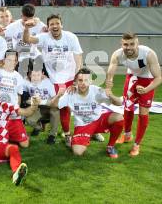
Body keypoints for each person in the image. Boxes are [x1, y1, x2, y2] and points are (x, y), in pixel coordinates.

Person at [23, 14, 83, 147]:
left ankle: (86, 132)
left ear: (62, 25)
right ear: (48, 27)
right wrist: (26, 28)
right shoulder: (44, 38)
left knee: (77, 105)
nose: (55, 26)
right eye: (51, 24)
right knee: (58, 107)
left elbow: (78, 57)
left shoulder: (71, 37)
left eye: (57, 23)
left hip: (69, 78)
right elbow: (28, 40)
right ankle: (61, 132)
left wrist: (76, 77)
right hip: (54, 80)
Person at [105, 32, 161, 156]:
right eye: (125, 44)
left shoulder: (148, 54)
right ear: (122, 44)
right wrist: (108, 87)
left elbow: (158, 78)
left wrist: (146, 89)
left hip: (148, 80)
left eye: (132, 44)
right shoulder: (118, 54)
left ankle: (137, 145)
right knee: (127, 107)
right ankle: (127, 135)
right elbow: (110, 72)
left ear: (137, 43)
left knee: (143, 113)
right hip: (131, 78)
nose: (128, 47)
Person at [58, 68, 124, 158]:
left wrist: (110, 95)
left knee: (118, 117)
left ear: (91, 81)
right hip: (83, 125)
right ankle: (84, 136)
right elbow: (56, 105)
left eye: (86, 80)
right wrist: (59, 96)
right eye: (80, 80)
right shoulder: (70, 92)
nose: (83, 83)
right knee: (77, 152)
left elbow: (119, 103)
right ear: (75, 82)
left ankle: (110, 146)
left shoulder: (97, 90)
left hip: (98, 121)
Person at [24, 69, 61, 144]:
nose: (36, 77)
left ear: (42, 74)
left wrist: (42, 102)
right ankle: (38, 127)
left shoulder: (48, 82)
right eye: (33, 75)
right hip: (37, 109)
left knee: (55, 111)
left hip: (49, 108)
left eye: (38, 75)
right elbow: (25, 100)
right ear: (30, 75)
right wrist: (32, 101)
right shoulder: (26, 82)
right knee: (28, 119)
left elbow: (55, 100)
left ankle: (52, 135)